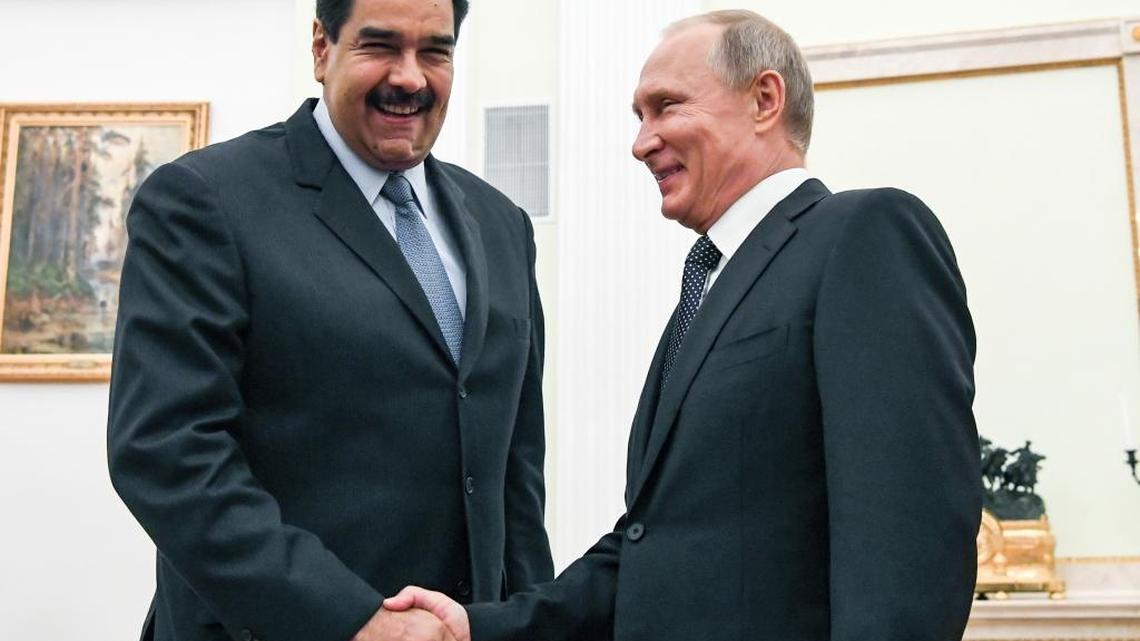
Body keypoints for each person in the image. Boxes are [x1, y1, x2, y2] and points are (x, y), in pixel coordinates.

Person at [384, 9, 981, 641]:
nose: (641, 142)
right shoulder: (707, 290)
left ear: (765, 99)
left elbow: (908, 538)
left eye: (667, 107)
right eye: (639, 117)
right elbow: (649, 549)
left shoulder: (864, 235)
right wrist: (476, 629)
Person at [106, 0, 554, 640]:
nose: (410, 77)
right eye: (380, 46)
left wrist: (527, 619)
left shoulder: (500, 222)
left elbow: (515, 466)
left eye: (435, 51)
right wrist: (354, 619)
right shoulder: (205, 201)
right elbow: (168, 455)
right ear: (322, 48)